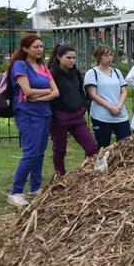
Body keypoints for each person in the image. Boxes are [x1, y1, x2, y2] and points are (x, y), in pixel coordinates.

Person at [7, 34, 58, 206]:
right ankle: (16, 192)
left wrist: (39, 97)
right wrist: (45, 93)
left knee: (40, 152)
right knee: (30, 153)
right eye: (35, 46)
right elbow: (27, 91)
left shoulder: (44, 68)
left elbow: (56, 92)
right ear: (26, 48)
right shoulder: (20, 66)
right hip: (27, 113)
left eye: (41, 47)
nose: (39, 50)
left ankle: (35, 188)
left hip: (44, 113)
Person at [48, 44, 98, 176]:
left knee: (92, 147)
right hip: (60, 117)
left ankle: (87, 173)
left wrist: (82, 107)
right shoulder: (52, 73)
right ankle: (60, 176)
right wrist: (56, 114)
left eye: (74, 58)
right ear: (59, 57)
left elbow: (81, 91)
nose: (71, 60)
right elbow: (51, 96)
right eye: (68, 57)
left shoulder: (76, 72)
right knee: (60, 150)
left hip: (77, 115)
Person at [85, 45, 131, 148]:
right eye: (106, 55)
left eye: (110, 55)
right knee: (102, 146)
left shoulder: (117, 72)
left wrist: (118, 106)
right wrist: (111, 107)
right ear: (98, 57)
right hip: (102, 116)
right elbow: (92, 94)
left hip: (120, 115)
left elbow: (123, 92)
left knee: (126, 145)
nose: (109, 58)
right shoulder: (92, 73)